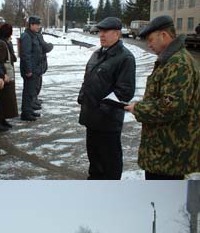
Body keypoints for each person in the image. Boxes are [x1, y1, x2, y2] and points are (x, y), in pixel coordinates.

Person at [124, 15, 200, 179]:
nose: (148, 45)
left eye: (151, 39)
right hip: (164, 150)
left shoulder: (178, 63)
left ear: (164, 35)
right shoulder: (171, 60)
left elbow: (171, 107)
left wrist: (139, 108)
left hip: (170, 156)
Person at [78, 17, 136, 179]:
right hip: (92, 119)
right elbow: (88, 77)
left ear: (117, 33)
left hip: (107, 121)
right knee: (94, 160)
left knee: (109, 163)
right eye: (100, 32)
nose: (101, 35)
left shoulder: (125, 58)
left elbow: (124, 91)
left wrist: (102, 109)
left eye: (105, 32)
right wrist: (82, 96)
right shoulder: (98, 53)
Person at [0, 22, 18, 130]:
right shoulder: (1, 44)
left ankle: (3, 119)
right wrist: (2, 75)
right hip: (5, 75)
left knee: (7, 98)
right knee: (3, 98)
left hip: (7, 74)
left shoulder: (4, 42)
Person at [19, 16, 44, 121]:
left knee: (31, 91)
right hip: (30, 70)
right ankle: (26, 113)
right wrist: (28, 70)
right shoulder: (27, 36)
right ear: (31, 25)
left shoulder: (33, 35)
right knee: (28, 92)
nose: (39, 26)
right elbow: (25, 55)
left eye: (39, 24)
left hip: (35, 69)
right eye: (37, 25)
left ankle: (29, 110)